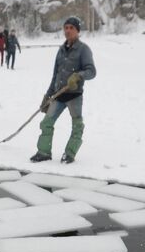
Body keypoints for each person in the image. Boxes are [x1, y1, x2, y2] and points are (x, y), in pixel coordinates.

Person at [31, 16, 96, 164]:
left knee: (77, 126)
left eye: (71, 28)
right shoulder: (61, 50)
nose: (68, 30)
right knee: (46, 123)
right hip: (58, 95)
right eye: (66, 28)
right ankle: (43, 152)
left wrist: (78, 75)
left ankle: (69, 154)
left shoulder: (83, 50)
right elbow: (55, 75)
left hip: (74, 96)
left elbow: (92, 71)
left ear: (77, 31)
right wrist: (48, 95)